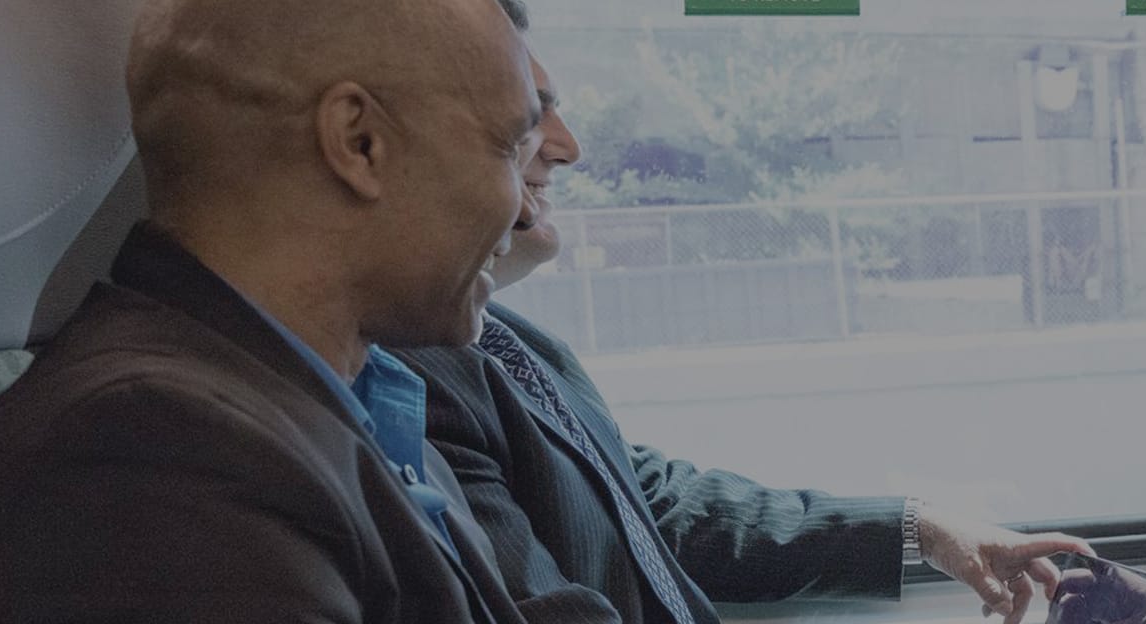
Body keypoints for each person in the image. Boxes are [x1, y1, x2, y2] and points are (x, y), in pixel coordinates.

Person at [389, 3, 1092, 623]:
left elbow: (653, 506)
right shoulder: (410, 386)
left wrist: (923, 528)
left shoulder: (517, 344)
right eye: (528, 115)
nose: (568, 146)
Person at [0, 0, 548, 621]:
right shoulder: (154, 457)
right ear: (360, 141)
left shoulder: (356, 404)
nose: (522, 209)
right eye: (503, 148)